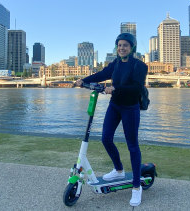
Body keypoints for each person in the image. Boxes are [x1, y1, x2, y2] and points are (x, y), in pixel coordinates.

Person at [75, 33, 148, 206]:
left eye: (125, 45)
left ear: (132, 48)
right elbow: (102, 74)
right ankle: (119, 170)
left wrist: (115, 88)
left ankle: (137, 188)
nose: (122, 48)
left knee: (132, 146)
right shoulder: (115, 63)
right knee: (106, 138)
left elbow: (136, 88)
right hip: (115, 106)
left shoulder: (140, 66)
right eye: (119, 45)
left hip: (130, 108)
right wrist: (83, 80)